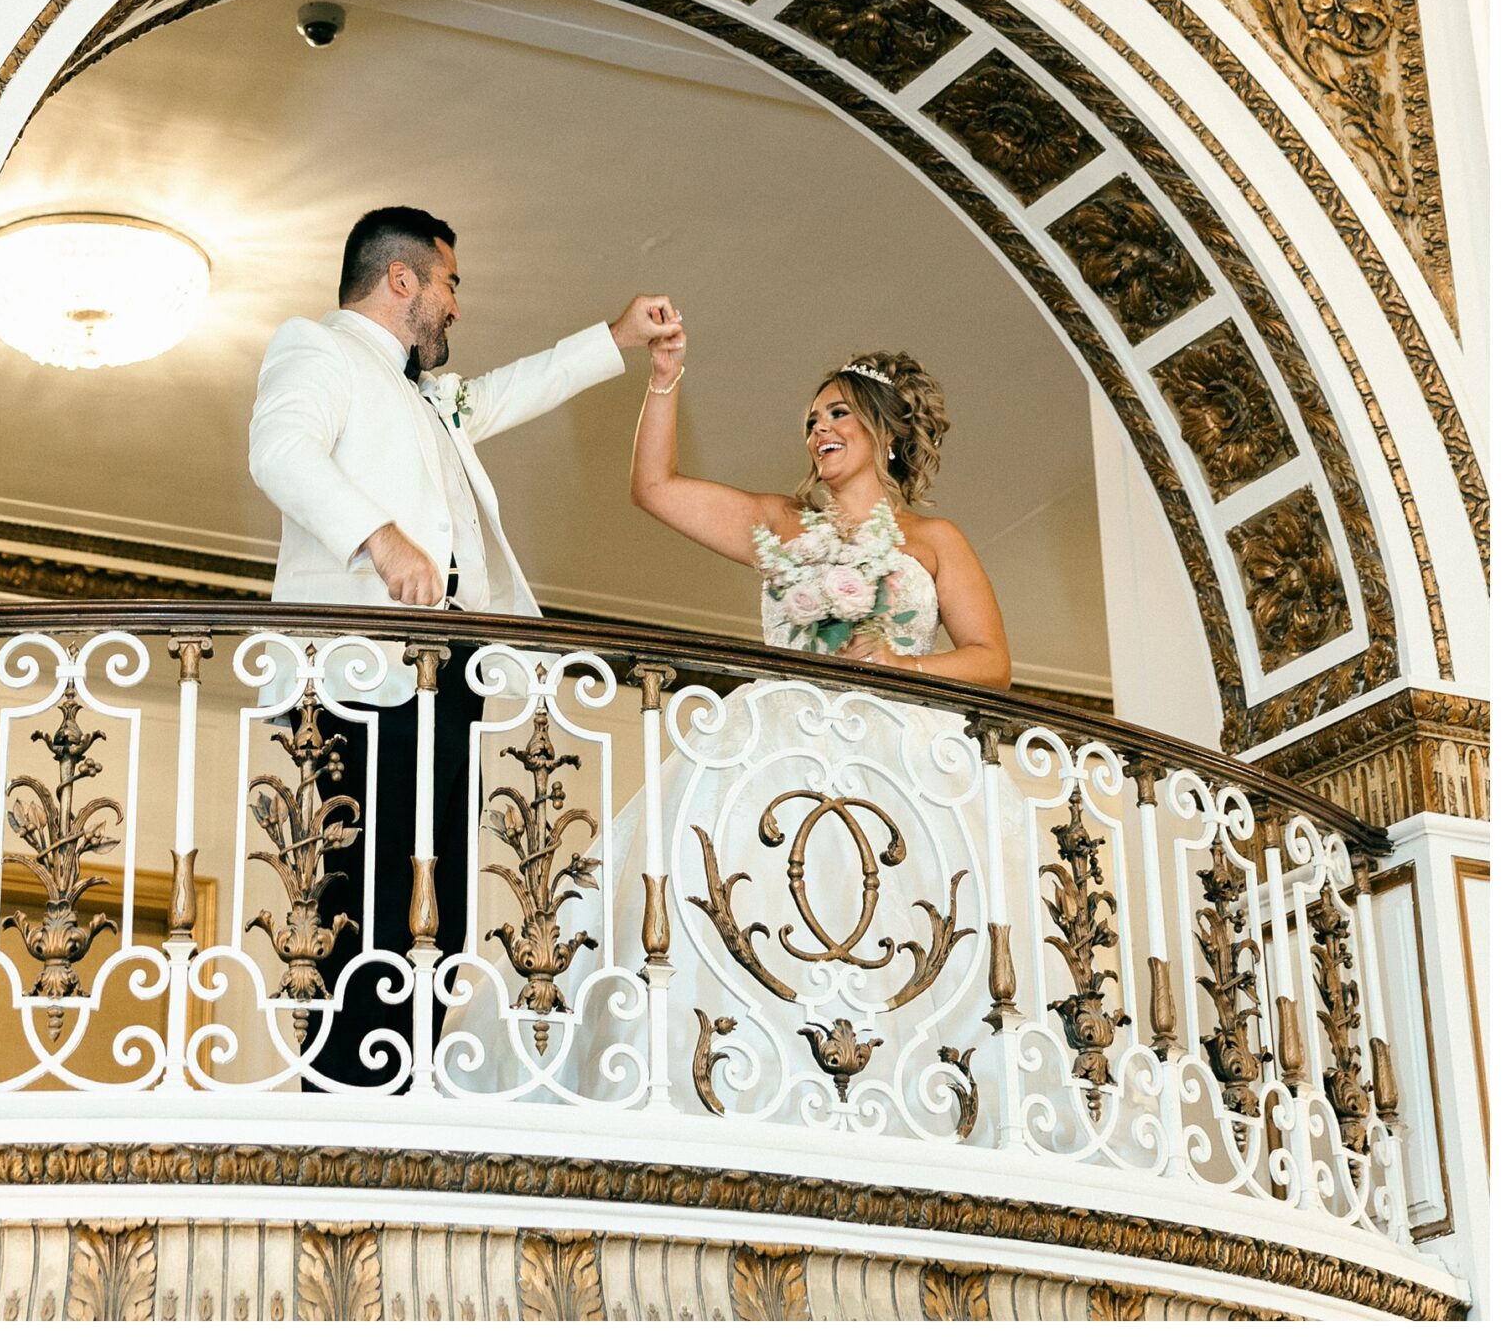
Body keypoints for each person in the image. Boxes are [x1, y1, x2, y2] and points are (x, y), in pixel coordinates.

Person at [247, 202, 676, 1086]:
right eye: (448, 283)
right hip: (359, 683)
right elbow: (280, 451)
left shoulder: (431, 396)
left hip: (449, 685)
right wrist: (381, 537)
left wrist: (619, 336)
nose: (455, 305)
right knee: (359, 894)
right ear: (400, 278)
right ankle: (346, 1090)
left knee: (433, 904)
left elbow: (519, 385)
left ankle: (402, 1077)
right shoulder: (315, 349)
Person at [629, 324, 1011, 686]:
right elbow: (654, 487)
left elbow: (992, 663)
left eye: (838, 414)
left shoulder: (936, 539)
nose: (818, 430)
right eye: (813, 423)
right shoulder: (779, 523)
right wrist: (665, 376)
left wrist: (901, 666)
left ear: (885, 430)